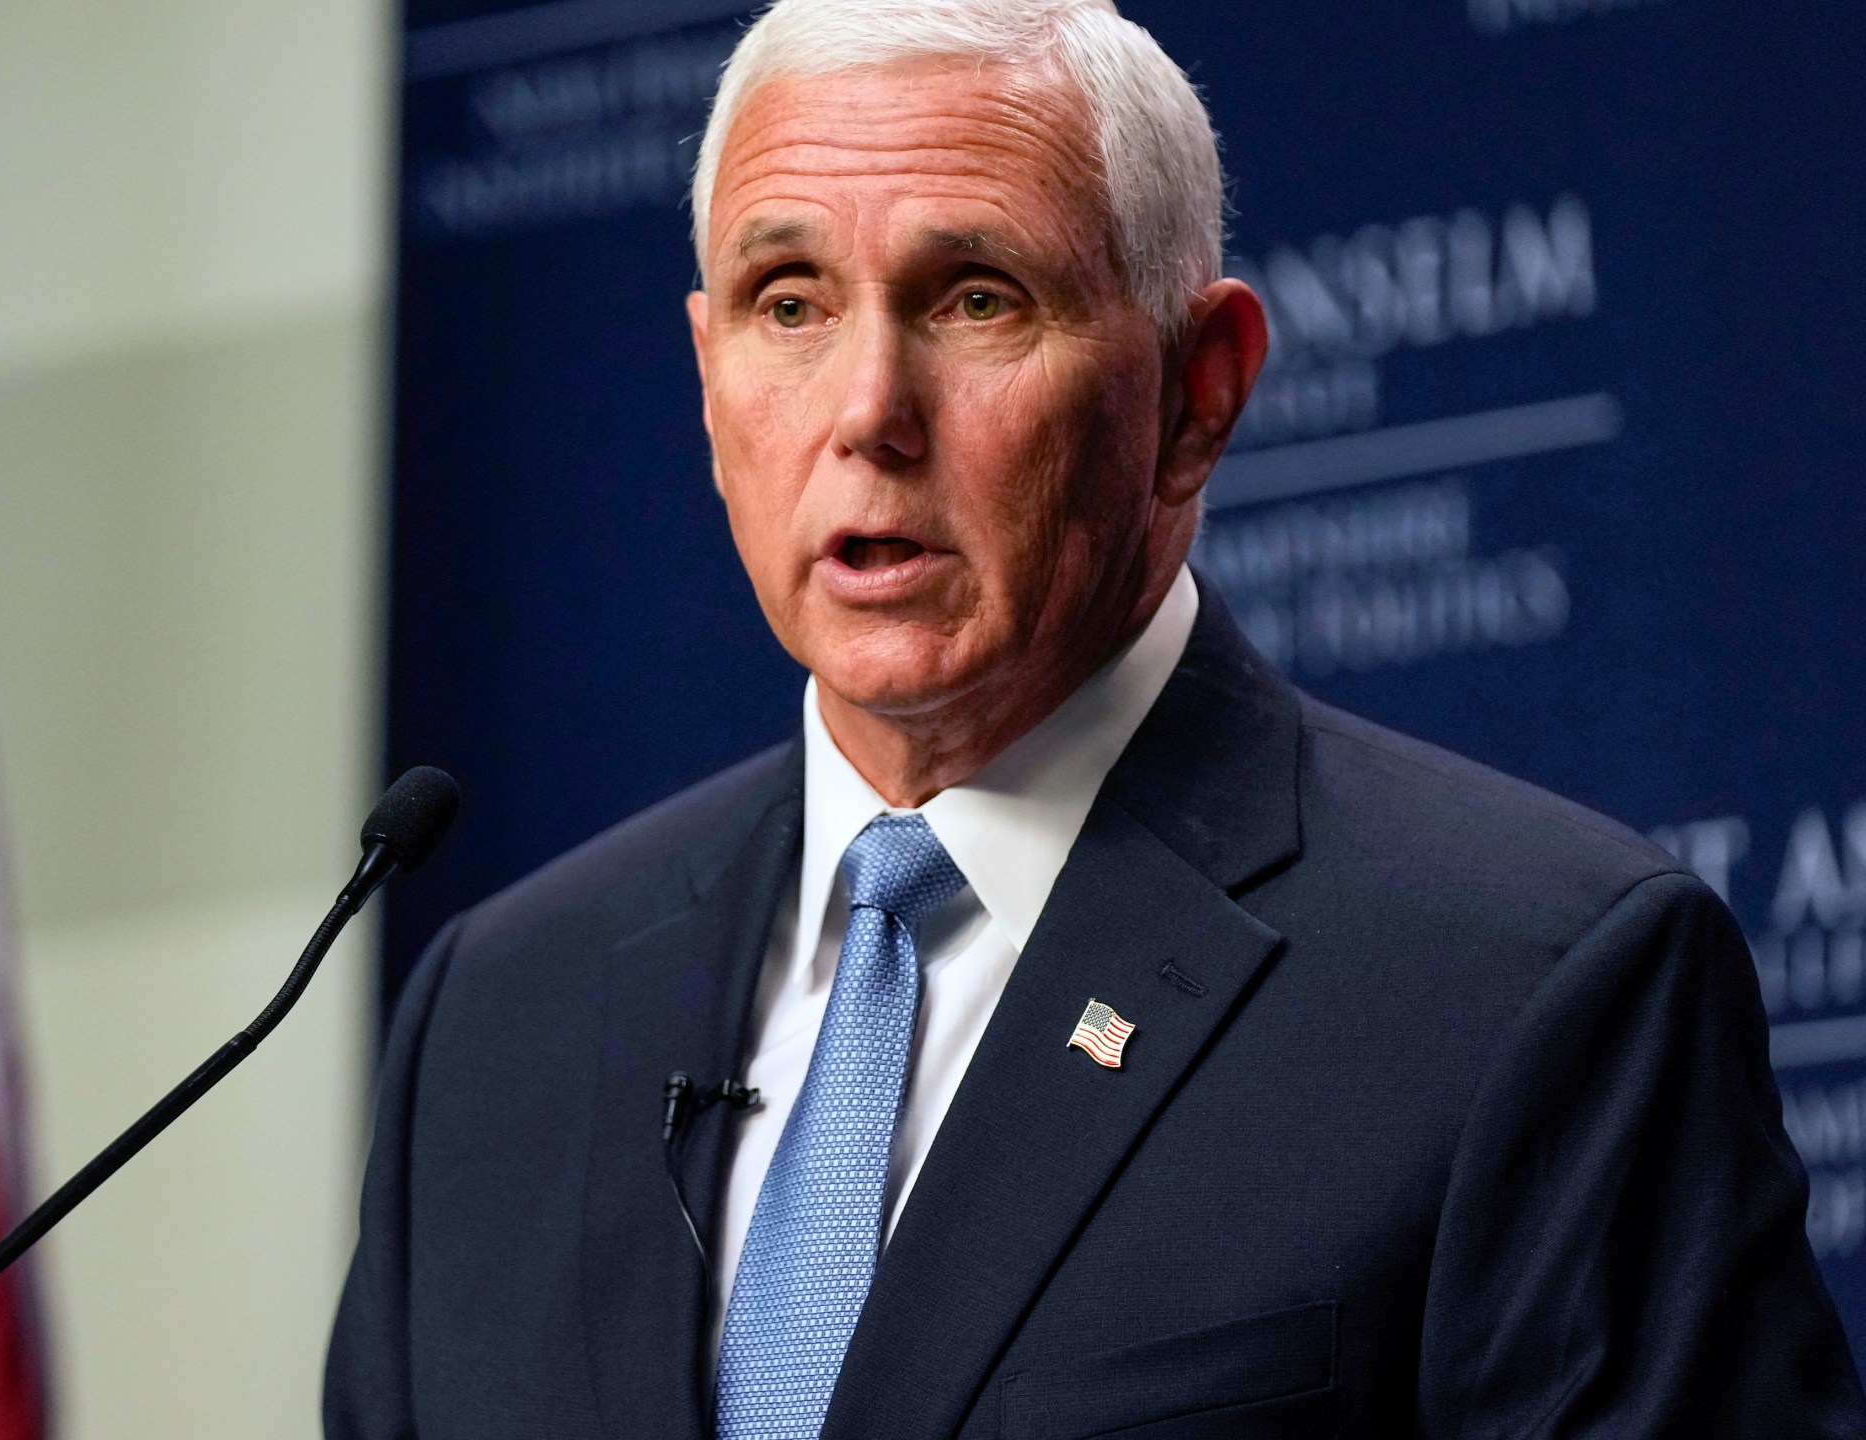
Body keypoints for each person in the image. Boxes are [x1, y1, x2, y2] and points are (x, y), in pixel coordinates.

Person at [324, 0, 1866, 1434]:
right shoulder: (497, 1018)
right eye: (788, 303)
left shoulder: (1537, 986)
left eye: (977, 298)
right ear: (709, 374)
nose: (868, 409)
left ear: (1199, 395)